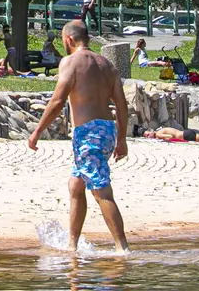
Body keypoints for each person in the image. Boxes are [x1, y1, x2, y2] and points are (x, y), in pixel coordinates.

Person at [28, 21, 129, 257]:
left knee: (101, 191)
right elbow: (122, 106)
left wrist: (37, 131)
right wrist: (122, 139)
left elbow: (57, 101)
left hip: (88, 134)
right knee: (76, 185)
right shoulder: (107, 65)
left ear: (69, 40)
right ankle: (72, 245)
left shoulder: (70, 62)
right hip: (106, 130)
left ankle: (122, 249)